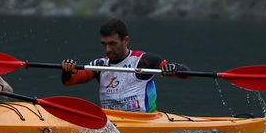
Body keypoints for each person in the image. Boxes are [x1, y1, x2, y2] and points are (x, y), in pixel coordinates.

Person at [60, 17, 189, 113]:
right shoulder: (99, 65)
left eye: (112, 43)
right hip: (112, 124)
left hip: (145, 124)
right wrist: (67, 70)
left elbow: (186, 74)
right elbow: (69, 82)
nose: (108, 49)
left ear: (125, 40)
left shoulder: (143, 60)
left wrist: (172, 68)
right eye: (104, 44)